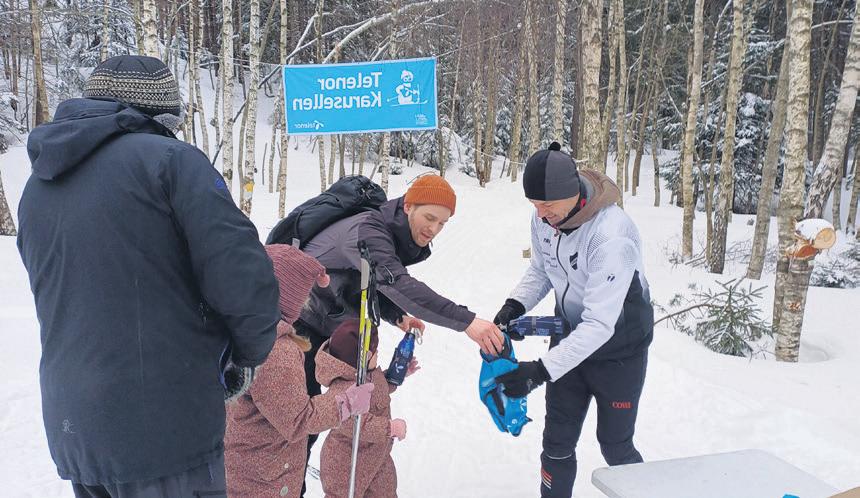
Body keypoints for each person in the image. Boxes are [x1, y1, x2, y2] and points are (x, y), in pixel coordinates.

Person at [16, 55, 280, 498]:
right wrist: (246, 356)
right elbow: (243, 277)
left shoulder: (38, 185)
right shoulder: (172, 162)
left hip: (75, 425)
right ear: (163, 116)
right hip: (165, 426)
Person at [294, 174, 504, 494]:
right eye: (429, 217)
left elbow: (368, 277)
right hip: (299, 320)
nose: (434, 228)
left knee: (344, 407)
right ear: (408, 207)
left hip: (332, 321)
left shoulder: (387, 233)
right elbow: (397, 282)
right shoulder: (368, 229)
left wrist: (396, 315)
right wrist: (467, 322)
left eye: (442, 223)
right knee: (299, 423)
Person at [493, 142, 653, 498]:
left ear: (573, 192)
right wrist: (514, 305)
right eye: (534, 204)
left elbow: (599, 326)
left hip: (619, 353)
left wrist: (539, 371)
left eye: (546, 205)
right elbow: (542, 269)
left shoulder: (611, 235)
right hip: (569, 343)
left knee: (616, 446)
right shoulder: (546, 219)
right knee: (556, 444)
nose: (540, 214)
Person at [225, 244, 376, 498]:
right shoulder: (276, 352)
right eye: (305, 296)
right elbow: (298, 420)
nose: (305, 304)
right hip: (265, 479)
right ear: (289, 297)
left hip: (243, 463)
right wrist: (345, 402)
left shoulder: (240, 330)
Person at [315, 319, 417, 498]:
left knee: (385, 492)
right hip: (347, 462)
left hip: (376, 455)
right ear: (364, 357)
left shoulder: (366, 373)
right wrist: (389, 428)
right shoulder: (344, 389)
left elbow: (376, 392)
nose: (378, 354)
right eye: (375, 351)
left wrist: (395, 376)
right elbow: (355, 422)